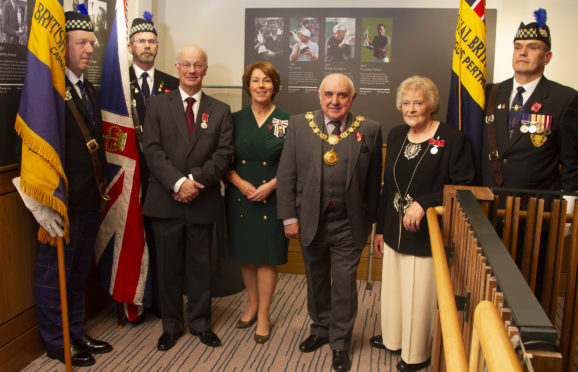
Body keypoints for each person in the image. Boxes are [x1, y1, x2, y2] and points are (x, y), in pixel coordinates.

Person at [14, 10, 113, 367]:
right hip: (61, 201)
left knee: (75, 274)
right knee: (53, 275)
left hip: (88, 198)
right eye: (82, 43)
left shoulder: (87, 88)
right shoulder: (50, 92)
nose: (90, 48)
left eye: (91, 42)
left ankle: (75, 330)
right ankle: (57, 341)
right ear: (63, 45)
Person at [277, 73, 382, 372]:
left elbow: (374, 183)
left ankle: (340, 342)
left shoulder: (370, 130)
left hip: (350, 225)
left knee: (345, 287)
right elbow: (286, 174)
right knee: (316, 280)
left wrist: (376, 225)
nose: (334, 101)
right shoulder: (299, 125)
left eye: (342, 95)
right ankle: (320, 329)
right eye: (329, 95)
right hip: (310, 221)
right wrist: (289, 217)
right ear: (319, 96)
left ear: (353, 98)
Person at [370, 76, 475, 372]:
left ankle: (415, 353)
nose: (411, 108)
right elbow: (387, 187)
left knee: (418, 293)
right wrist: (379, 229)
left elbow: (464, 185)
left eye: (418, 102)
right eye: (406, 102)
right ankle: (393, 338)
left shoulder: (453, 139)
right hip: (393, 227)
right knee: (393, 289)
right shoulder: (397, 132)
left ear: (431, 104)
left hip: (426, 231)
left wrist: (425, 201)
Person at [142, 45, 233, 351]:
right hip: (164, 200)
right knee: (167, 268)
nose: (192, 70)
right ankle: (171, 325)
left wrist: (193, 182)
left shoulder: (220, 110)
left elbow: (223, 156)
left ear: (205, 70)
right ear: (177, 68)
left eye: (198, 65)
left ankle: (200, 323)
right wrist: (178, 183)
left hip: (202, 200)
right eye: (186, 65)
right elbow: (152, 150)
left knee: (201, 266)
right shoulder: (157, 105)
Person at [225, 61, 290, 344]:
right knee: (247, 257)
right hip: (240, 195)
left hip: (272, 197)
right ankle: (251, 304)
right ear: (247, 85)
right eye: (255, 80)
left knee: (266, 259)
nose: (261, 86)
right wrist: (238, 182)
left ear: (274, 86)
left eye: (266, 81)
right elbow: (223, 161)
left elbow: (293, 165)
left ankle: (263, 313)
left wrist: (270, 186)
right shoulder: (234, 119)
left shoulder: (287, 121)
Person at [481, 9, 578, 194]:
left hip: (537, 209)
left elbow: (572, 163)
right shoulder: (490, 93)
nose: (523, 52)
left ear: (547, 57)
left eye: (532, 47)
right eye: (518, 47)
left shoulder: (565, 99)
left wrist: (569, 209)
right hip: (488, 204)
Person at [127, 11, 179, 324]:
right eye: (141, 42)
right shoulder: (118, 84)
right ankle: (134, 300)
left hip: (162, 177)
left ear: (157, 46)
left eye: (151, 41)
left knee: (161, 243)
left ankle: (160, 300)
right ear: (130, 46)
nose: (147, 46)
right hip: (132, 176)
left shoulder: (171, 84)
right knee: (133, 238)